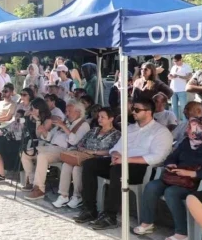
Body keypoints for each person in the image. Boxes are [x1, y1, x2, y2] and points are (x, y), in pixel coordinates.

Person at [74, 98, 173, 230]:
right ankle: (89, 209)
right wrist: (115, 154)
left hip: (141, 167)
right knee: (89, 164)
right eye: (133, 109)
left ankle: (110, 216)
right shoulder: (130, 128)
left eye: (137, 109)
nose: (133, 112)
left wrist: (126, 159)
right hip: (120, 162)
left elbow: (157, 157)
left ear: (148, 112)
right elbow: (117, 147)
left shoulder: (161, 131)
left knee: (118, 169)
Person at [134, 117, 202, 240]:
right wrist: (171, 164)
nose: (187, 130)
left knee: (172, 192)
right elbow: (172, 157)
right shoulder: (187, 142)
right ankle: (147, 222)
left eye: (190, 127)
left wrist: (193, 174)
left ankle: (182, 232)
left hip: (197, 182)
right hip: (176, 177)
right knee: (152, 186)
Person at [53, 108, 121, 208]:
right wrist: (82, 148)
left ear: (111, 119)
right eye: (99, 117)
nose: (99, 119)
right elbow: (81, 142)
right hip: (84, 155)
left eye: (103, 117)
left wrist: (94, 152)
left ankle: (77, 196)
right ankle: (63, 195)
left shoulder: (116, 134)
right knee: (67, 164)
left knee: (77, 168)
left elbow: (113, 151)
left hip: (99, 159)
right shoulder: (94, 130)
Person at [23, 100, 90, 201]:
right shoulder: (66, 122)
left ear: (78, 112)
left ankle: (39, 189)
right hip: (50, 147)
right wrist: (44, 132)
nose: (66, 114)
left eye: (69, 111)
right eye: (66, 111)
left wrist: (63, 126)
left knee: (42, 156)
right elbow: (50, 136)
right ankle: (32, 182)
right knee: (26, 153)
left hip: (65, 150)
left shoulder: (83, 125)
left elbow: (74, 141)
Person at [0, 97, 51, 184]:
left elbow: (38, 135)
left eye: (34, 108)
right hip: (20, 139)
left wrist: (37, 120)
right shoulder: (29, 116)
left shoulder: (47, 120)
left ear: (40, 108)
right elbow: (21, 127)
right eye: (31, 108)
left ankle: (0, 174)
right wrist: (26, 116)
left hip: (31, 144)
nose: (32, 110)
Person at [168, 54, 192, 121]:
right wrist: (170, 76)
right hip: (173, 89)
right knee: (173, 107)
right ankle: (175, 122)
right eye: (174, 61)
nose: (175, 63)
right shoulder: (173, 67)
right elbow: (170, 77)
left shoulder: (186, 66)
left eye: (176, 61)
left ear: (181, 60)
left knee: (183, 107)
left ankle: (185, 123)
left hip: (182, 89)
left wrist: (178, 76)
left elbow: (189, 77)